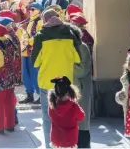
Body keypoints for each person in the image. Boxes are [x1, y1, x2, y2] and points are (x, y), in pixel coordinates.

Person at [32, 9, 81, 148]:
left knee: (48, 117)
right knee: (69, 116)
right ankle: (68, 145)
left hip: (47, 81)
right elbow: (78, 58)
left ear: (45, 19)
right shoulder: (70, 34)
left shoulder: (40, 35)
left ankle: (50, 145)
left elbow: (35, 61)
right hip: (66, 82)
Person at [48, 76, 85, 148]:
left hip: (56, 140)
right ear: (68, 93)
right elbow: (81, 117)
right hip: (70, 141)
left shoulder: (52, 105)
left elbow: (50, 115)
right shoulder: (74, 106)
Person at [71, 27, 93, 148]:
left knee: (82, 124)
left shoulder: (82, 47)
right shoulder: (73, 47)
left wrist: (69, 64)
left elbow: (81, 70)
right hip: (75, 88)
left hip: (81, 89)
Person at [19, 2, 43, 104]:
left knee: (34, 73)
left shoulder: (40, 21)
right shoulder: (29, 20)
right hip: (25, 50)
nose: (30, 11)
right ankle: (29, 94)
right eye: (30, 9)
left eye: (33, 9)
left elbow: (39, 36)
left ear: (39, 10)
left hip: (33, 50)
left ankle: (40, 95)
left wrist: (28, 41)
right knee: (25, 74)